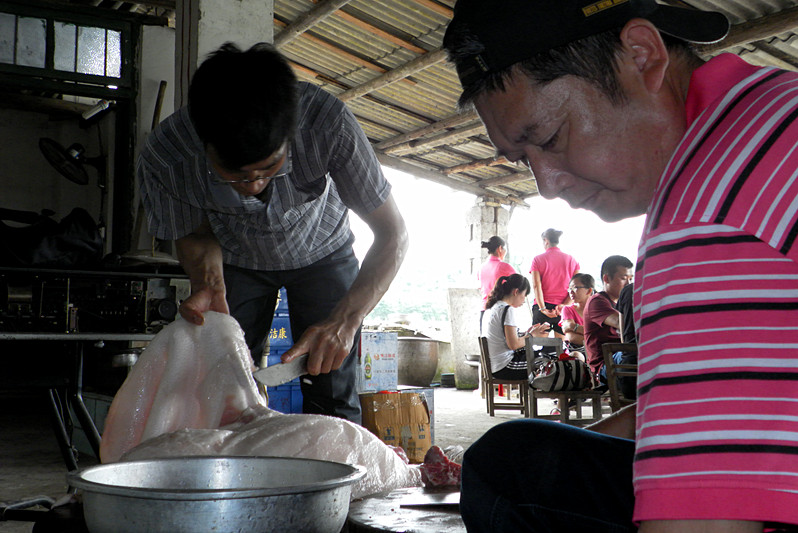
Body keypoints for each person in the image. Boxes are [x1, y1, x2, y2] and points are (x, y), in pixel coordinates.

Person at [444, 0, 798, 531]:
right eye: (523, 161)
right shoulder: (774, 108)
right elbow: (710, 400)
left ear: (641, 55)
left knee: (509, 465)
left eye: (549, 138)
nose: (547, 184)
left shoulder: (708, 213)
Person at [138, 43, 408, 424]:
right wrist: (208, 282)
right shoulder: (168, 156)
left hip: (323, 250)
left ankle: (335, 473)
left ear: (290, 134)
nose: (252, 185)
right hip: (235, 260)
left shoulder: (327, 123)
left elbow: (393, 234)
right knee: (225, 384)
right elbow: (194, 233)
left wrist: (345, 322)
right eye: (234, 174)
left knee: (330, 383)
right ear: (204, 143)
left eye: (268, 167)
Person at [483, 274, 549, 380]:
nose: (524, 300)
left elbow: (505, 338)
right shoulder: (507, 309)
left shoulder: (492, 308)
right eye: (524, 295)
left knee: (543, 358)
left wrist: (528, 333)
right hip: (506, 366)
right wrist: (532, 335)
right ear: (516, 292)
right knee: (547, 360)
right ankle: (540, 394)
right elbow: (513, 344)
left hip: (495, 366)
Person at [583, 255, 633, 380]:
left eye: (631, 279)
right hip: (605, 367)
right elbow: (620, 322)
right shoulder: (597, 301)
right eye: (623, 278)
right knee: (633, 354)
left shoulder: (620, 305)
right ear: (606, 278)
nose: (629, 284)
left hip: (622, 358)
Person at [529, 228, 580, 336]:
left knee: (540, 345)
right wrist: (563, 306)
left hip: (543, 305)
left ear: (546, 241)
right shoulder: (572, 260)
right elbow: (576, 287)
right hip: (563, 308)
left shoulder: (537, 259)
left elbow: (536, 286)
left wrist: (542, 308)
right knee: (562, 347)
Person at [478, 235, 517, 317]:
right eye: (505, 249)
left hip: (484, 311)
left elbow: (481, 288)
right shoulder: (505, 267)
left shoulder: (481, 268)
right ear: (500, 248)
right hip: (500, 312)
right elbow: (519, 286)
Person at [559, 272, 595, 357]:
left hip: (597, 351)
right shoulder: (568, 309)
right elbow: (570, 337)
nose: (570, 292)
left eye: (575, 288)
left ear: (589, 290)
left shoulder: (597, 310)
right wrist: (594, 338)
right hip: (578, 351)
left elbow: (569, 327)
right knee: (576, 356)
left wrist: (574, 327)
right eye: (569, 289)